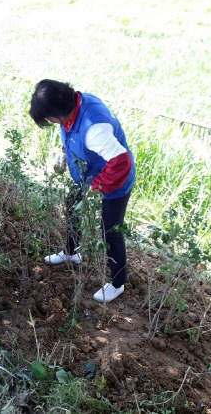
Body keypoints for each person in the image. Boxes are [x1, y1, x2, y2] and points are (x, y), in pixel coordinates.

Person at [29, 80, 135, 303]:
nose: (50, 122)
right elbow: (70, 134)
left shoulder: (94, 129)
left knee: (110, 230)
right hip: (89, 176)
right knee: (71, 205)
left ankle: (117, 283)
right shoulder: (73, 105)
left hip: (114, 180)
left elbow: (121, 163)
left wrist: (96, 189)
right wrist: (64, 157)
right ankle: (71, 252)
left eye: (49, 119)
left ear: (58, 112)